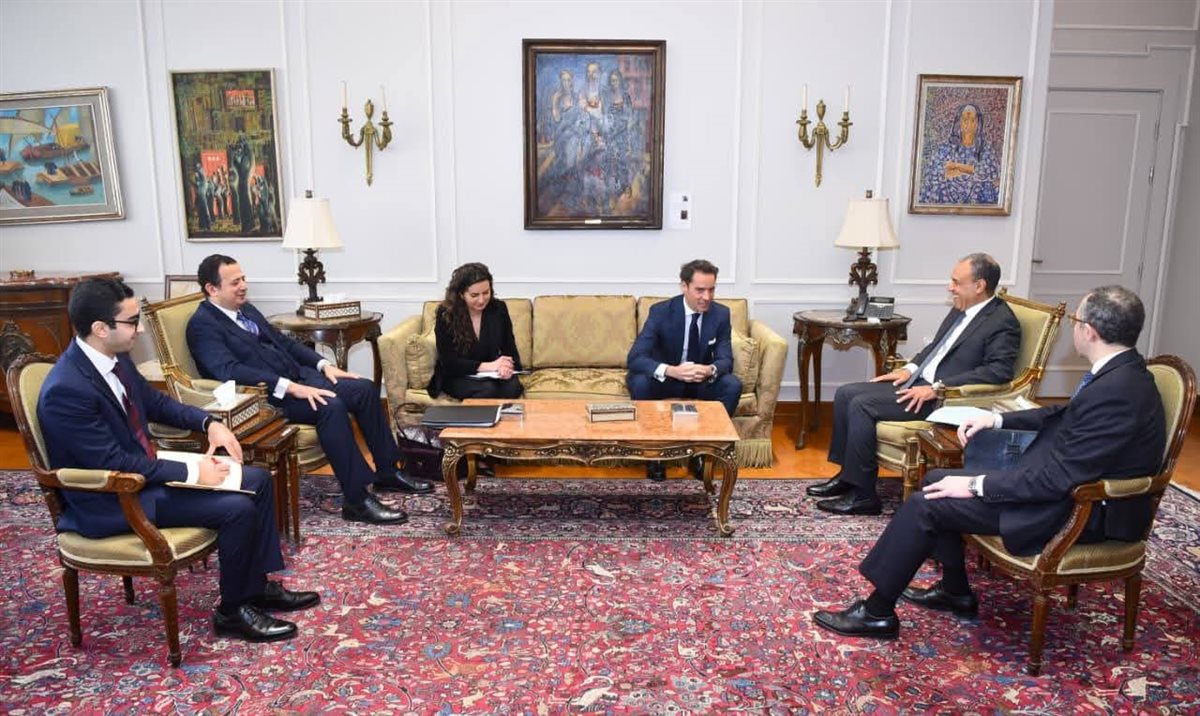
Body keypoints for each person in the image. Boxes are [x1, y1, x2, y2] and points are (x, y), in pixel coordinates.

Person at [812, 285, 1165, 640]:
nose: (1074, 326)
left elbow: (1057, 479)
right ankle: (955, 591)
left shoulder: (1116, 392)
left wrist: (974, 485)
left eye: (1076, 320)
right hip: (1062, 489)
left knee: (927, 504)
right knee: (935, 478)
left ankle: (877, 612)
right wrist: (996, 419)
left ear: (1089, 331)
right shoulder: (1120, 373)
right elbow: (1065, 415)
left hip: (1079, 512)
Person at [37, 278, 319, 643]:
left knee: (258, 479)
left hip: (140, 475)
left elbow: (156, 404)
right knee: (236, 509)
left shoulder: (114, 358)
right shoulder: (66, 389)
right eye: (132, 322)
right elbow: (114, 462)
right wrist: (193, 471)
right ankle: (232, 612)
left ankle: (255, 588)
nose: (140, 329)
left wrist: (209, 423)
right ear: (100, 329)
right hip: (112, 498)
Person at [186, 254, 432, 527]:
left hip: (301, 377)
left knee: (363, 389)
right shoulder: (202, 325)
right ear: (212, 289)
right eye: (235, 282)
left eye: (243, 279)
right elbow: (228, 371)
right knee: (330, 406)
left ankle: (387, 472)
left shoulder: (246, 310)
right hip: (266, 398)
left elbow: (284, 343)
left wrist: (324, 365)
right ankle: (356, 500)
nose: (244, 286)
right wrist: (290, 387)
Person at [809, 253, 1020, 516]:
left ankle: (863, 496)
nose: (950, 287)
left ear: (979, 286)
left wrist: (938, 387)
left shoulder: (1002, 321)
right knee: (845, 393)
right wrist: (907, 369)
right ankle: (847, 477)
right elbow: (935, 348)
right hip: (918, 382)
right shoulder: (961, 309)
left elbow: (998, 371)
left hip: (944, 398)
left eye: (956, 282)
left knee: (862, 404)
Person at [627, 259, 742, 481]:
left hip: (699, 381)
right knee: (640, 383)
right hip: (669, 379)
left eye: (711, 290)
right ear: (684, 286)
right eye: (700, 290)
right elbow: (635, 358)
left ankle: (703, 452)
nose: (707, 297)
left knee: (732, 385)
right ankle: (655, 455)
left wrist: (709, 369)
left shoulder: (720, 314)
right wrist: (672, 371)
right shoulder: (661, 312)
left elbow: (726, 359)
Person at [429, 262, 524, 402]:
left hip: (492, 374)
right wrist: (488, 366)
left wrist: (506, 366)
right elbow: (448, 362)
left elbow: (510, 349)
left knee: (512, 387)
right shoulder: (446, 314)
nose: (481, 300)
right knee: (488, 390)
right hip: (459, 375)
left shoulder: (499, 309)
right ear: (461, 294)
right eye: (474, 295)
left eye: (486, 293)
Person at [918, 103, 1001, 206]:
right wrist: (970, 171)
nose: (969, 125)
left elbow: (991, 173)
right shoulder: (946, 147)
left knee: (987, 186)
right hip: (947, 193)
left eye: (973, 120)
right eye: (965, 120)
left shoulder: (985, 149)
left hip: (977, 194)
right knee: (934, 187)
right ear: (959, 122)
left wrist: (956, 166)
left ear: (978, 123)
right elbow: (933, 171)